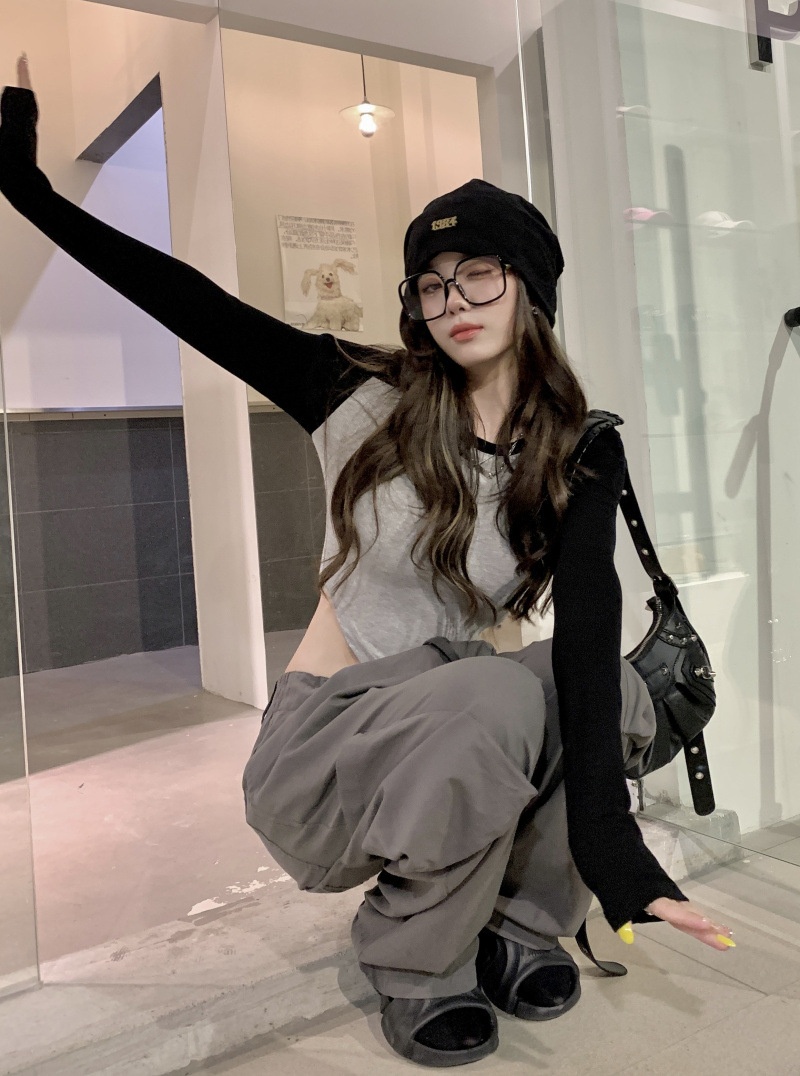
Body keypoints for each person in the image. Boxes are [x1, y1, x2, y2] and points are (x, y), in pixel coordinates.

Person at [0, 56, 733, 1069]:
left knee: (604, 686)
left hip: (458, 733)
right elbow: (184, 297)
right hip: (327, 747)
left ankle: (521, 922)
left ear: (530, 287)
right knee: (492, 691)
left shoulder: (580, 447)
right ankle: (415, 959)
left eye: (479, 273)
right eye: (431, 283)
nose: (453, 299)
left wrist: (616, 856)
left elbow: (587, 628)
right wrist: (30, 192)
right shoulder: (355, 393)